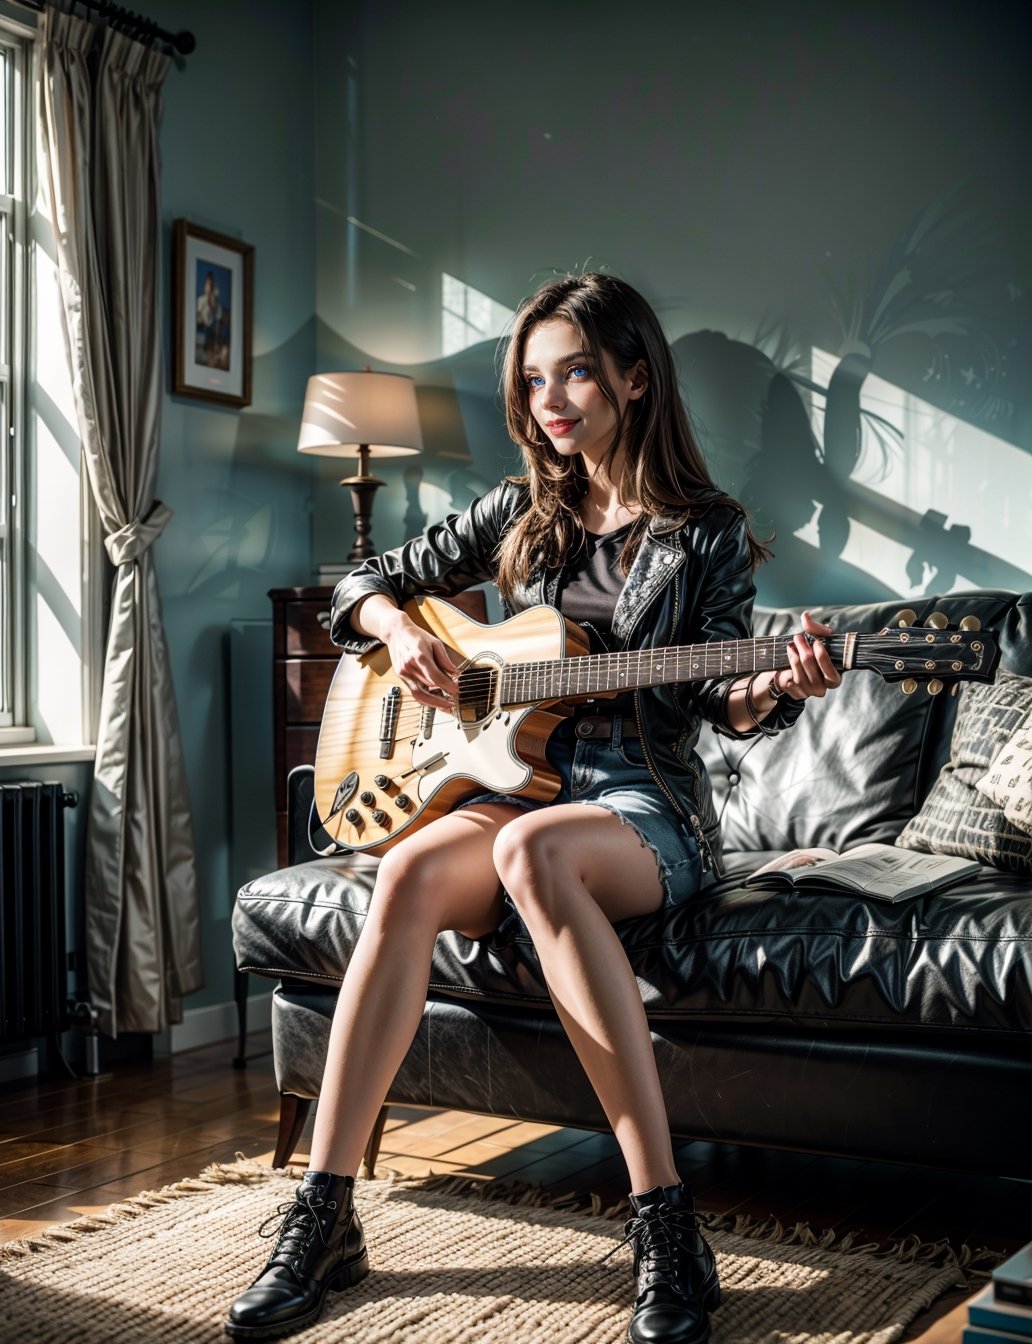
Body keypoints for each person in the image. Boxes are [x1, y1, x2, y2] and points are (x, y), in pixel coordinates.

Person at [225, 273, 842, 1344]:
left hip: (643, 811)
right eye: (535, 379)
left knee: (538, 859)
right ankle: (325, 1212)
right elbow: (357, 586)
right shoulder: (524, 511)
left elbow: (721, 704)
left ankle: (663, 1222)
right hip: (521, 788)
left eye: (578, 374)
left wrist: (778, 682)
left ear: (634, 379)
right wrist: (404, 629)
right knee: (410, 873)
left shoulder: (705, 536)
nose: (552, 400)